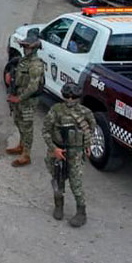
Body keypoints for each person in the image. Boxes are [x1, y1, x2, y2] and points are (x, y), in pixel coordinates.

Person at [43, 83, 94, 227]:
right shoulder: (56, 111)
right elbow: (45, 131)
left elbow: (90, 129)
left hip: (76, 152)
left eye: (74, 97)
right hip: (58, 151)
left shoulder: (86, 113)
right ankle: (58, 206)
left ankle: (81, 212)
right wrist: (54, 149)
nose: (70, 99)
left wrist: (87, 145)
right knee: (58, 180)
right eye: (67, 96)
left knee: (76, 182)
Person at [5, 28, 45, 167]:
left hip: (27, 100)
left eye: (27, 47)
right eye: (24, 46)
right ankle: (21, 145)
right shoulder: (24, 60)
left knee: (27, 126)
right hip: (18, 96)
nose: (24, 49)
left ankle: (26, 154)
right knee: (18, 121)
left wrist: (19, 98)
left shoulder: (35, 64)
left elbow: (33, 87)